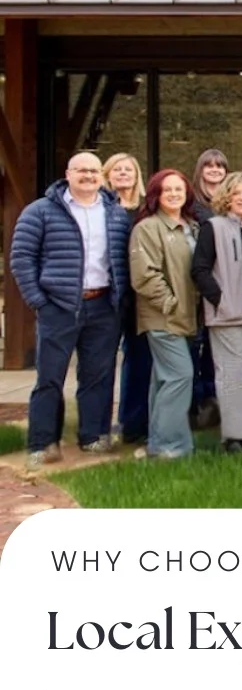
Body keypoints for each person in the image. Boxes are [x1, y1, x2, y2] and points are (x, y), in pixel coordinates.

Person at [11, 152, 131, 470]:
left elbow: (122, 260)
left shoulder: (115, 213)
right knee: (50, 377)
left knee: (98, 376)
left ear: (101, 176)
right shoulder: (41, 211)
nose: (88, 176)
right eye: (82, 170)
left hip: (104, 305)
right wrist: (39, 300)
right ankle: (43, 443)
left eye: (94, 170)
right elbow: (21, 258)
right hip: (60, 306)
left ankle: (93, 436)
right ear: (68, 173)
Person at [191, 172, 242, 453]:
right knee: (234, 369)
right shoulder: (214, 227)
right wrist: (220, 301)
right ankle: (234, 438)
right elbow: (199, 270)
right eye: (236, 193)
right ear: (227, 197)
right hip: (228, 308)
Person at [128, 170, 199, 460]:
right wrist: (170, 303)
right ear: (156, 194)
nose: (173, 194)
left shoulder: (191, 226)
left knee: (165, 379)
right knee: (181, 375)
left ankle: (158, 444)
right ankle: (173, 446)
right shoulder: (147, 228)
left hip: (186, 315)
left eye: (178, 189)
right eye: (167, 189)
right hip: (163, 316)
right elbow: (144, 275)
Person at [102, 152, 151, 447]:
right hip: (107, 297)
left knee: (139, 360)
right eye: (117, 169)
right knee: (101, 364)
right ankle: (97, 427)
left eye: (128, 170)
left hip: (139, 298)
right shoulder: (100, 208)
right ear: (107, 175)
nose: (123, 174)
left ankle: (133, 424)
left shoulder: (144, 210)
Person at [188, 148, 228, 426]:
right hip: (197, 284)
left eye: (220, 166)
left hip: (225, 286)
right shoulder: (191, 205)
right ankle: (194, 405)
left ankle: (213, 405)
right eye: (209, 166)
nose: (215, 170)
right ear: (200, 170)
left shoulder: (228, 204)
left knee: (215, 350)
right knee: (195, 345)